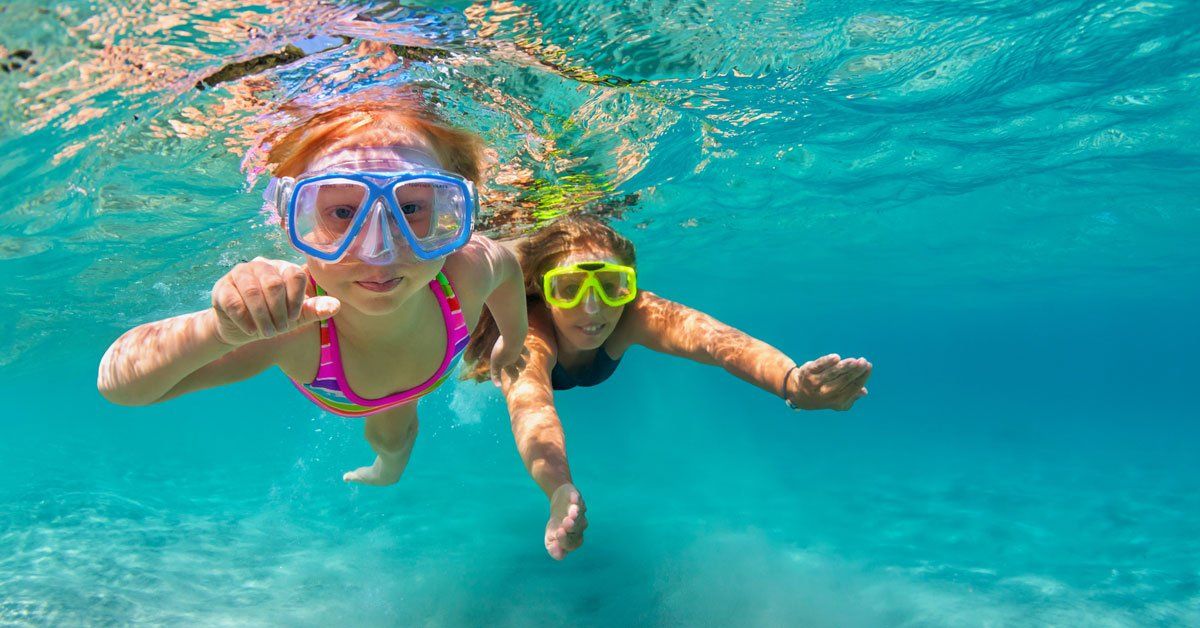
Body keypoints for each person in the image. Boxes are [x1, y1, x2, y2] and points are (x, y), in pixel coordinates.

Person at [98, 98, 529, 486]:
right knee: (390, 433)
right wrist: (221, 330)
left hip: (415, 384)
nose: (378, 251)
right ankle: (387, 468)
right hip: (346, 388)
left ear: (452, 209)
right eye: (342, 212)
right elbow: (120, 386)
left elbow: (509, 273)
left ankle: (388, 468)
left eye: (412, 208)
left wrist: (511, 341)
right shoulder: (291, 321)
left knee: (397, 434)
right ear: (293, 220)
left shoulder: (467, 268)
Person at [465, 215, 871, 559]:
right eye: (569, 288)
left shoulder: (634, 314)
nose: (593, 308)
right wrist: (556, 489)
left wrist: (792, 383)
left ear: (630, 287)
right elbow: (533, 409)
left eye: (611, 286)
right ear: (545, 292)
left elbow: (716, 342)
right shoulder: (528, 336)